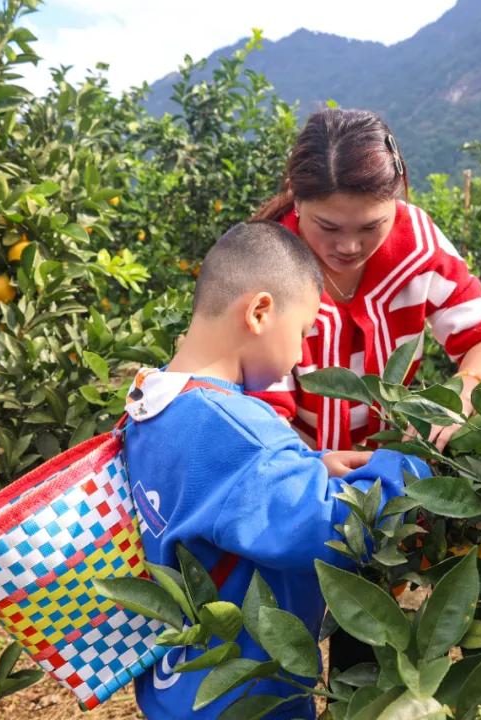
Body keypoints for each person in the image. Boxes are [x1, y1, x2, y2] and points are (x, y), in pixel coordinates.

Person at [123, 221, 428, 719]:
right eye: (305, 330)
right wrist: (407, 469)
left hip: (178, 686)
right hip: (245, 700)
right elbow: (333, 531)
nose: (303, 353)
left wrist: (311, 465)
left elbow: (219, 495)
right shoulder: (238, 431)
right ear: (260, 311)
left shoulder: (154, 401)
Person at [250, 108, 481, 454]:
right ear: (296, 199)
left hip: (391, 455)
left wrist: (463, 392)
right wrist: (310, 470)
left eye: (371, 226)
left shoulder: (417, 246)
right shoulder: (266, 262)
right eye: (328, 227)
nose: (349, 247)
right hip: (294, 465)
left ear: (397, 196)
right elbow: (260, 407)